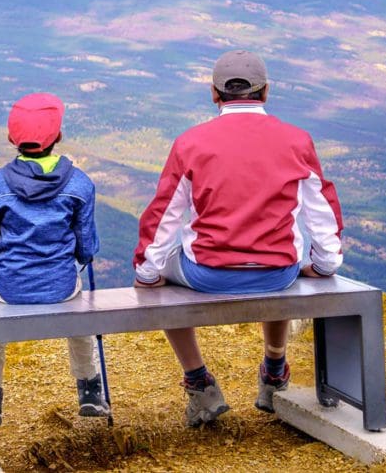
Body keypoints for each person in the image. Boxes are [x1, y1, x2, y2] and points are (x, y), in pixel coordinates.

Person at [133, 49, 344, 426]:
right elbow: (322, 208)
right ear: (265, 93)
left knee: (159, 270)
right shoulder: (296, 140)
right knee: (285, 256)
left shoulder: (190, 143)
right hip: (278, 272)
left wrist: (148, 274)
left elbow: (164, 214)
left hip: (208, 273)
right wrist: (324, 264)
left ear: (214, 94)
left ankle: (199, 383)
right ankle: (275, 369)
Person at [0, 92, 109, 428]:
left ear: (10, 138)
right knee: (79, 317)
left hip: (10, 287)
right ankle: (89, 388)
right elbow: (87, 248)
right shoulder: (79, 184)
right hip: (61, 287)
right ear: (58, 137)